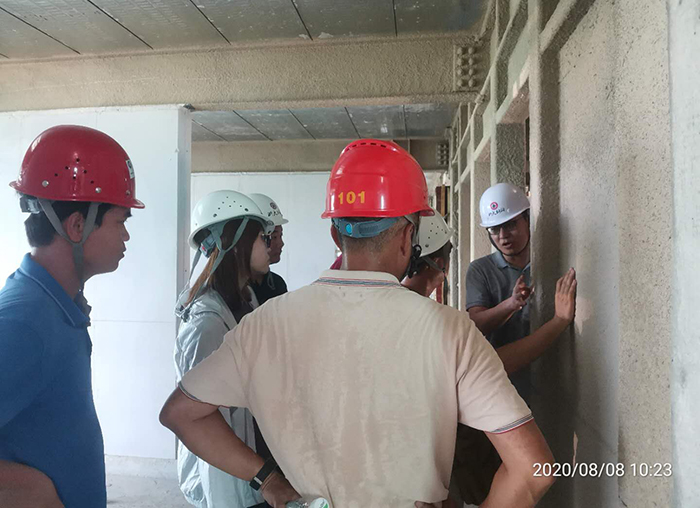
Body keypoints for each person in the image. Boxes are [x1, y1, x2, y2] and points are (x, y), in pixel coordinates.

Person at [160, 140, 555, 508]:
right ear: (408, 237)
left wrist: (266, 479)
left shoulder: (263, 324)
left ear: (335, 233)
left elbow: (180, 414)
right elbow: (534, 470)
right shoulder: (451, 331)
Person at [0, 125, 145, 508]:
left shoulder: (55, 305)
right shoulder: (23, 323)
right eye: (121, 221)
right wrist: (33, 491)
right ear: (77, 225)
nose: (126, 237)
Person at [454, 182, 576, 505]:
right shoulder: (481, 271)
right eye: (495, 230)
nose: (503, 236)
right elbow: (475, 324)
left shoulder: (549, 260)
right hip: (500, 392)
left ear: (526, 219)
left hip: (548, 389)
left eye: (510, 225)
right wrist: (510, 305)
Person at [174, 190, 275, 508]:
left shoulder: (245, 301)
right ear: (237, 243)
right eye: (262, 237)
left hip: (250, 473)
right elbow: (205, 422)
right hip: (228, 486)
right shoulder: (208, 324)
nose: (269, 245)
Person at [248, 193, 288, 305]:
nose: (281, 244)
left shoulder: (277, 284)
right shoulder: (232, 290)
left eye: (281, 236)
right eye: (273, 237)